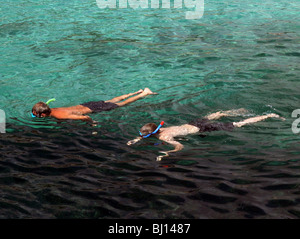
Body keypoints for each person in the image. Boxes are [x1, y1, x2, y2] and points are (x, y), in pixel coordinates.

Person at [127, 109, 284, 161]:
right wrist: (135, 140)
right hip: (193, 123)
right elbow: (146, 134)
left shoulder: (164, 138)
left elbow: (180, 146)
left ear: (153, 134)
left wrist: (167, 152)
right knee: (217, 113)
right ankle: (235, 111)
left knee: (238, 124)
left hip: (203, 129)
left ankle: (268, 115)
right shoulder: (161, 130)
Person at [32, 88, 156, 121]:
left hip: (91, 109)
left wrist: (92, 124)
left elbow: (84, 117)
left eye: (37, 115)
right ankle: (136, 92)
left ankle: (143, 94)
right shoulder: (53, 110)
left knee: (122, 104)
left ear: (43, 114)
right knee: (110, 101)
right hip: (87, 104)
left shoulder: (59, 115)